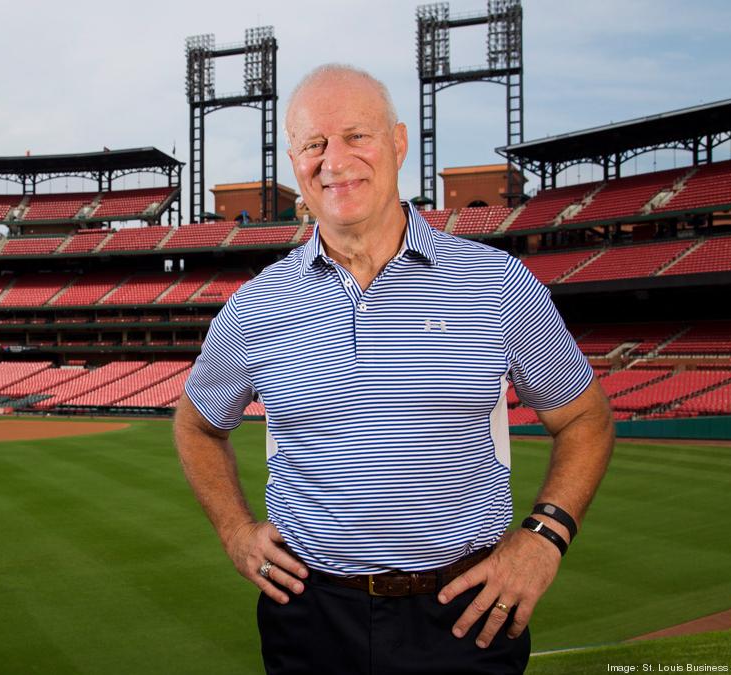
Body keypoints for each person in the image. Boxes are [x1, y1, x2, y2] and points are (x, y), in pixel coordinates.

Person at [174, 64, 615, 674]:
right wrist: (235, 530)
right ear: (294, 162)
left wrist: (544, 540)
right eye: (313, 143)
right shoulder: (259, 303)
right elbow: (197, 425)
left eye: (357, 135)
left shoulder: (494, 281)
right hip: (311, 617)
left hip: (465, 615)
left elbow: (586, 419)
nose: (335, 159)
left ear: (399, 142)